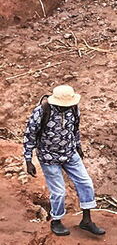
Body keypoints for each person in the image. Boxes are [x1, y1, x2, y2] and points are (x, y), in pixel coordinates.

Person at [23, 85, 106, 237]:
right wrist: (28, 159)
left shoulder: (73, 109)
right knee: (59, 192)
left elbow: (75, 129)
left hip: (69, 152)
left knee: (85, 182)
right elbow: (30, 135)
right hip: (49, 157)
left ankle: (86, 220)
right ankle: (56, 220)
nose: (65, 108)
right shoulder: (41, 112)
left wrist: (78, 146)